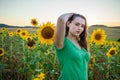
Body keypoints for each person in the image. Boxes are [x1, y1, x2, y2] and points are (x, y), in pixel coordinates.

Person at [54, 13, 90, 80]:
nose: (80, 28)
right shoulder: (62, 42)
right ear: (68, 24)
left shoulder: (81, 43)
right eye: (77, 24)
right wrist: (73, 14)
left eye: (82, 26)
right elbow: (61, 19)